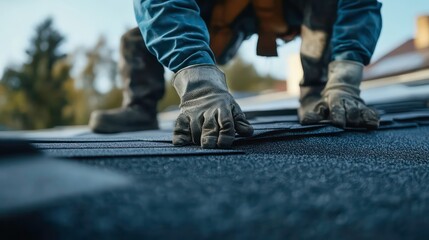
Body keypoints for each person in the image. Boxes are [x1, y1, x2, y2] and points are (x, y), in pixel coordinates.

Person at [89, 0, 382, 149]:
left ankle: (319, 92)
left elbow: (359, 4)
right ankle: (140, 107)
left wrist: (345, 76)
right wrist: (199, 84)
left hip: (293, 7)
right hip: (218, 12)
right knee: (136, 39)